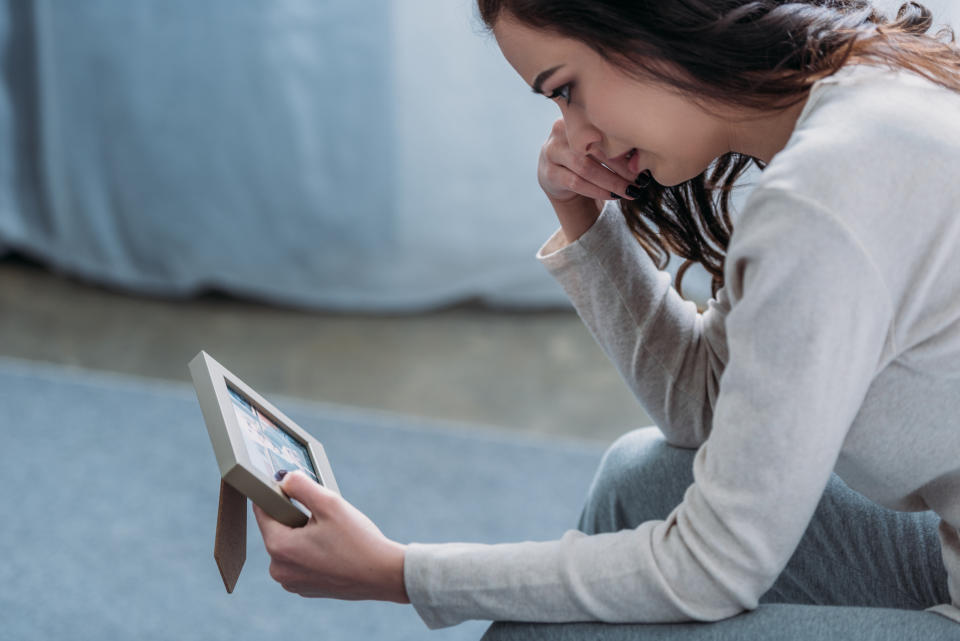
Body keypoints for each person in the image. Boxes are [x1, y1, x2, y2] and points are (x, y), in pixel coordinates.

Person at [252, 1, 960, 637]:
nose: (575, 134)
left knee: (548, 636)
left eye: (566, 89)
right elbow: (702, 408)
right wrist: (583, 216)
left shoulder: (824, 194)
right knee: (640, 477)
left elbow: (712, 568)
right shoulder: (859, 100)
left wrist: (401, 572)